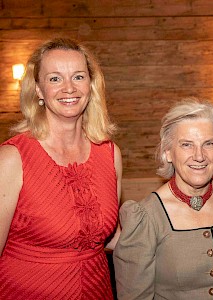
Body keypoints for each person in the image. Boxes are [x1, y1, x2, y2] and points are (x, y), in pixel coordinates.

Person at [0, 37, 122, 299]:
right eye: (55, 78)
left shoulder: (109, 153)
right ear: (39, 90)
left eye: (78, 77)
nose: (69, 88)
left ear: (91, 85)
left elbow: (110, 237)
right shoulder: (12, 158)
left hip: (98, 291)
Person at [113, 97, 213, 300]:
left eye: (208, 144)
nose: (199, 156)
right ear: (168, 152)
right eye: (186, 145)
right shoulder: (146, 218)